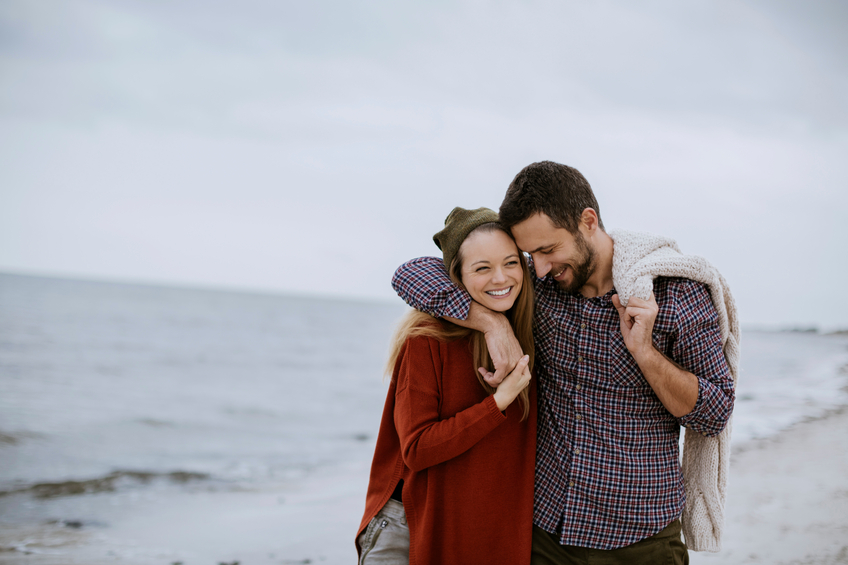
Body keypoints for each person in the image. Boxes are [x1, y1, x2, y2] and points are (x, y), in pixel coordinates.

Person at [392, 161, 739, 563]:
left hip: (642, 540)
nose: (538, 267)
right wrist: (490, 323)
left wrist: (645, 353)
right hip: (547, 536)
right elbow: (411, 274)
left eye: (547, 250)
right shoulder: (539, 287)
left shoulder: (676, 294)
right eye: (529, 254)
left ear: (587, 221)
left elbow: (714, 414)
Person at [356, 207, 538, 564]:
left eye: (511, 263)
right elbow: (418, 448)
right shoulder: (427, 339)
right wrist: (497, 402)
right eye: (482, 268)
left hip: (480, 533)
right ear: (456, 276)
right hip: (407, 526)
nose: (500, 278)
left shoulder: (534, 329)